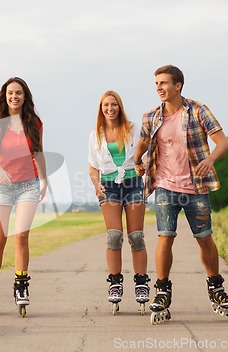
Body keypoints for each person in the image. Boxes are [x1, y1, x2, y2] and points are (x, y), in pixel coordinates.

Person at [134, 65, 228, 318]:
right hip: (166, 186)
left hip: (196, 187)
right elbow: (144, 142)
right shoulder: (151, 117)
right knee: (165, 237)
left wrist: (210, 160)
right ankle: (162, 290)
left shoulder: (199, 111)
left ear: (178, 86)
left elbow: (223, 143)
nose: (159, 88)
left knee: (204, 238)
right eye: (156, 83)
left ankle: (216, 287)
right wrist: (137, 160)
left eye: (164, 83)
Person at [0, 77, 47, 316]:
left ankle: (21, 286)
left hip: (29, 184)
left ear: (24, 96)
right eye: (10, 93)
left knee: (22, 236)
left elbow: (38, 152)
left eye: (18, 93)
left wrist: (44, 179)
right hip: (3, 186)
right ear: (4, 96)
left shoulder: (34, 122)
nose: (14, 97)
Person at [88, 90, 150, 311]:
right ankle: (115, 283)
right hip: (109, 188)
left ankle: (141, 283)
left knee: (136, 237)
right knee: (114, 236)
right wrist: (97, 185)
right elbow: (93, 167)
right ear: (101, 108)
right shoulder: (96, 134)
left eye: (113, 105)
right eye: (106, 105)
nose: (110, 109)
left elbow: (146, 154)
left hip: (133, 184)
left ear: (119, 106)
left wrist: (143, 168)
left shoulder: (133, 129)